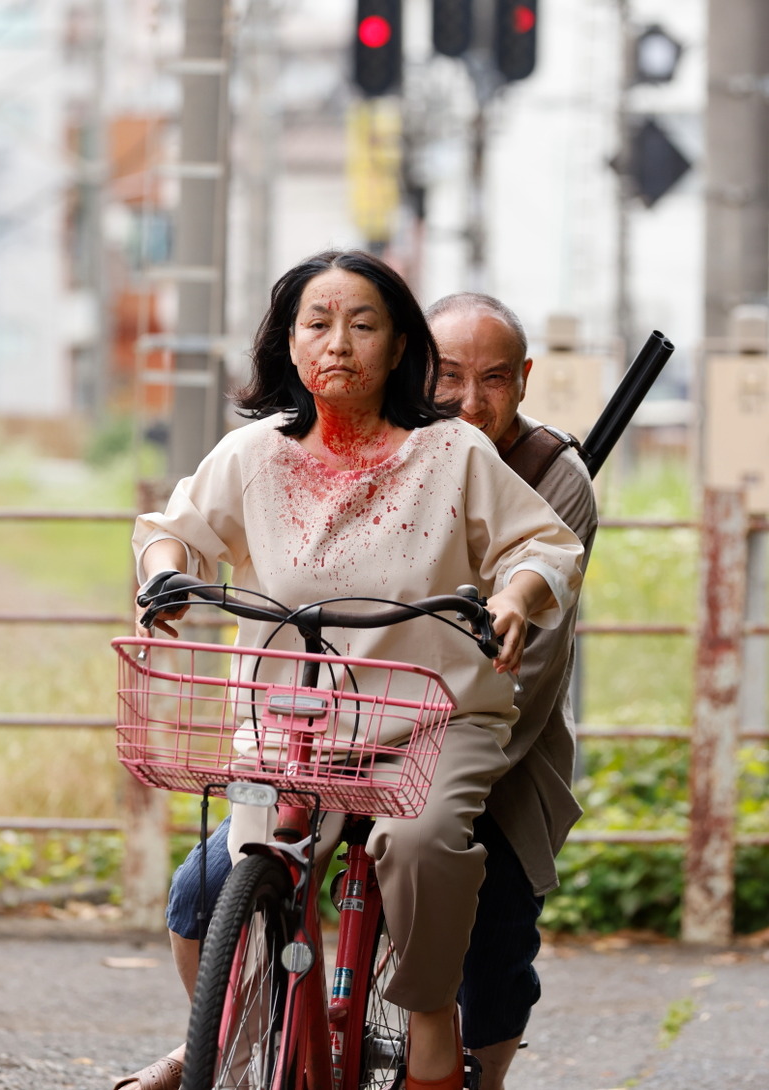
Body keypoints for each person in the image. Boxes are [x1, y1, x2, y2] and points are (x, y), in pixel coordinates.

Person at [124, 251, 582, 1090]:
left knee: (417, 843)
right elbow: (174, 527)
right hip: (296, 721)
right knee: (231, 868)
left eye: (363, 325)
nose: (339, 343)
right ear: (289, 344)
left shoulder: (451, 454)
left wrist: (516, 597)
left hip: (430, 720)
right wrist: (162, 571)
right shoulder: (254, 454)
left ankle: (432, 1020)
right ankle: (230, 1040)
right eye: (318, 323)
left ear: (399, 344)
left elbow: (546, 543)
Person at [426, 292, 598, 1090]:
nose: (468, 399)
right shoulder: (394, 447)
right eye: (447, 374)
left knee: (495, 924)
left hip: (496, 744)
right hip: (360, 730)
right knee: (223, 879)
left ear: (524, 380)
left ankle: (483, 1079)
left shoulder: (554, 479)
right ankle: (221, 1039)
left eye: (492, 377)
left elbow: (527, 673)